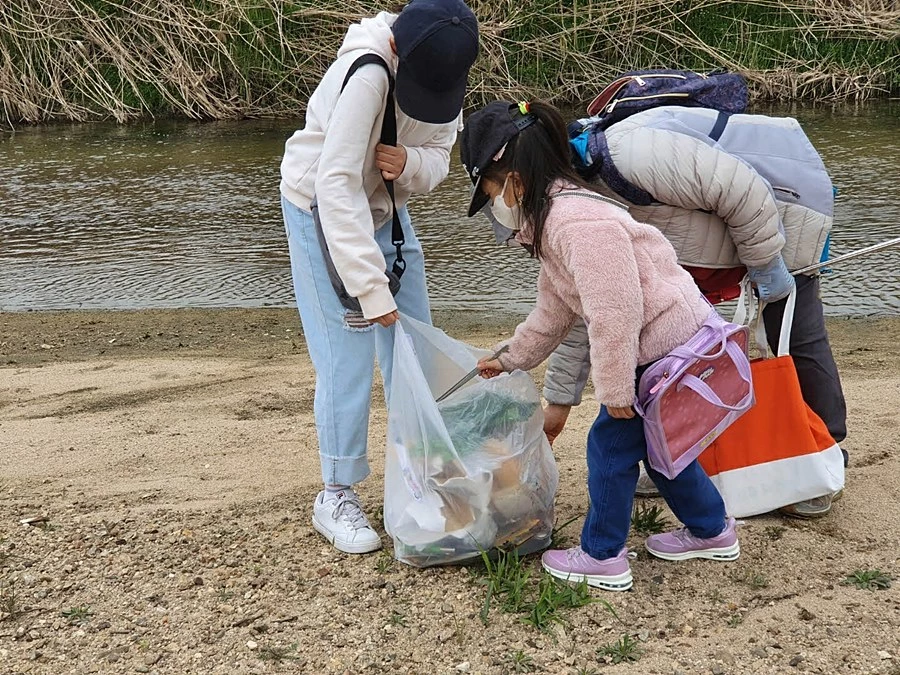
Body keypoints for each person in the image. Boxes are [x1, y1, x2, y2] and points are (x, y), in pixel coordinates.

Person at [461, 100, 740, 591]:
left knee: (609, 449)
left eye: (489, 192)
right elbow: (553, 314)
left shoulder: (578, 224)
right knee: (659, 447)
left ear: (514, 183)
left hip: (663, 348)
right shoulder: (551, 223)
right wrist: (509, 358)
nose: (495, 208)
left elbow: (615, 313)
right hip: (655, 347)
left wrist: (614, 391)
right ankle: (711, 530)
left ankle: (602, 555)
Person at [539, 105, 848, 518]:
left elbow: (741, 190)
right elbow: (590, 308)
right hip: (706, 240)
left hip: (783, 205)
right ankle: (677, 460)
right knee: (679, 350)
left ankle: (824, 455)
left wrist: (766, 263)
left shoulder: (629, 154)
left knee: (792, 335)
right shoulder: (574, 208)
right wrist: (560, 400)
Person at [279, 0, 478, 554]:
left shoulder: (445, 62)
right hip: (320, 206)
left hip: (386, 205)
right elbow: (335, 186)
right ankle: (336, 493)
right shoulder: (367, 75)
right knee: (345, 353)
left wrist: (410, 165)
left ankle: (417, 474)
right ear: (397, 50)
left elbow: (440, 153)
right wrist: (369, 289)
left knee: (413, 339)